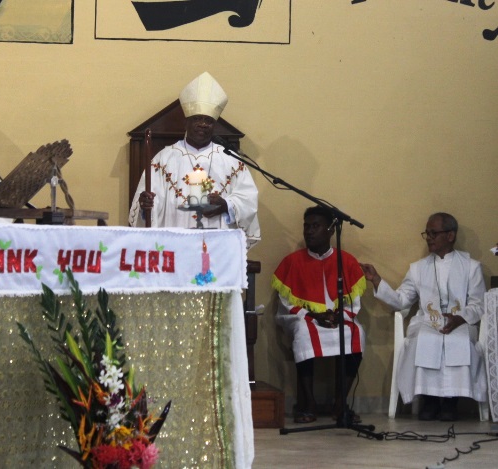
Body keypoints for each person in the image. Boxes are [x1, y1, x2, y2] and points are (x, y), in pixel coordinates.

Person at [361, 212, 487, 421]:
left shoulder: (471, 267)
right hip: (429, 321)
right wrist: (377, 281)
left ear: (450, 236)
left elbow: (479, 303)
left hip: (461, 322)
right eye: (426, 233)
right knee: (424, 339)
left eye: (433, 233)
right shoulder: (418, 269)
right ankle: (429, 400)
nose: (428, 237)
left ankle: (450, 402)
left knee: (459, 340)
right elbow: (402, 300)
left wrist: (460, 318)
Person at [128, 72, 261, 249]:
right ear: (186, 122)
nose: (203, 125)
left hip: (217, 249)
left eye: (209, 120)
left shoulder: (231, 159)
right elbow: (149, 204)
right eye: (197, 118)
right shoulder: (163, 159)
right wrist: (146, 206)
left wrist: (226, 205)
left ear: (215, 125)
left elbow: (248, 200)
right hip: (174, 247)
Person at [272, 206, 366, 424]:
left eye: (316, 226)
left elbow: (354, 302)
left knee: (356, 332)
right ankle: (308, 403)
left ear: (331, 230)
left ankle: (340, 403)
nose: (309, 232)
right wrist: (314, 317)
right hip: (303, 318)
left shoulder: (347, 261)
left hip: (337, 318)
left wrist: (338, 316)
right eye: (306, 227)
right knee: (304, 332)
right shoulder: (293, 262)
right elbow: (286, 304)